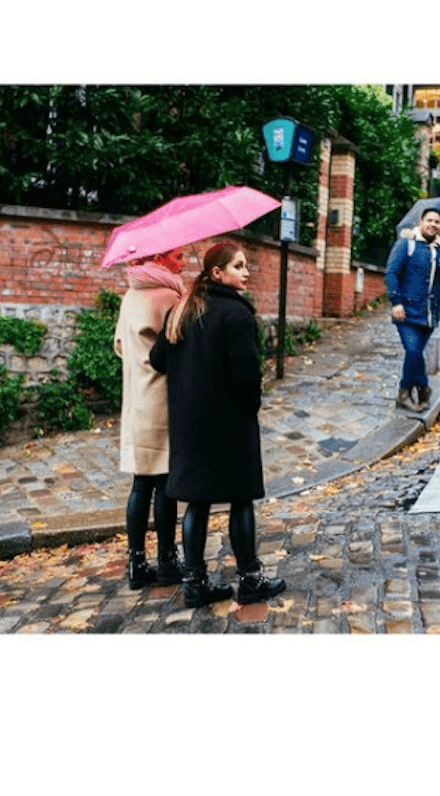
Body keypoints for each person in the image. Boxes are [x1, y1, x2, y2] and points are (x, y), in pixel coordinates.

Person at [149, 243, 285, 608]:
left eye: (245, 265)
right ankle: (251, 580)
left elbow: (157, 359)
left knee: (198, 501)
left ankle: (195, 584)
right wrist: (251, 407)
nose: (246, 271)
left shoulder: (182, 310)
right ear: (217, 273)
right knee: (241, 499)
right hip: (229, 423)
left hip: (189, 424)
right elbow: (246, 377)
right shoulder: (236, 315)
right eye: (238, 266)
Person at [113, 248, 187, 590]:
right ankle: (168, 560)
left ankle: (135, 563)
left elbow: (118, 345)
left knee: (140, 483)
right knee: (165, 484)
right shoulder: (169, 294)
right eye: (178, 256)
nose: (184, 262)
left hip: (135, 399)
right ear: (160, 258)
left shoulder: (130, 294)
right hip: (162, 397)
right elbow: (180, 345)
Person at [385, 208, 440, 411]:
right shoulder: (406, 244)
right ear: (421, 222)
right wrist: (396, 302)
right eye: (429, 220)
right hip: (406, 313)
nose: (433, 224)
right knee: (413, 350)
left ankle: (410, 392)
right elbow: (391, 273)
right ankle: (418, 388)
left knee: (414, 355)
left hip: (429, 314)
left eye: (437, 222)